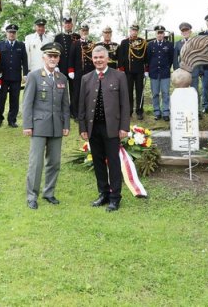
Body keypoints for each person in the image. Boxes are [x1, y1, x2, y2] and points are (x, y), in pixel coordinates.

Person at [79, 46, 130, 212]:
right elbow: (82, 107)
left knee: (113, 163)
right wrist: (83, 127)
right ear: (92, 59)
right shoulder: (86, 78)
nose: (98, 60)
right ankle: (103, 193)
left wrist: (124, 127)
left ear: (107, 58)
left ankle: (115, 197)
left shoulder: (119, 76)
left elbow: (125, 104)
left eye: (101, 57)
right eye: (95, 58)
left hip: (112, 128)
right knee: (98, 162)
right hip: (93, 128)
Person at [22, 42, 71, 209]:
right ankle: (31, 196)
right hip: (38, 126)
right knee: (36, 163)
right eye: (50, 56)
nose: (53, 59)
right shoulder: (34, 76)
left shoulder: (62, 78)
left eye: (55, 56)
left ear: (58, 59)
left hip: (57, 126)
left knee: (55, 162)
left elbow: (65, 104)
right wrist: (27, 125)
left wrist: (66, 125)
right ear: (44, 57)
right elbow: (27, 103)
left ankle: (49, 192)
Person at [0, 23, 28, 128]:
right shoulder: (0, 45)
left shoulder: (21, 45)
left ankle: (12, 120)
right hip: (3, 77)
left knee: (14, 99)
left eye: (14, 33)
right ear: (6, 33)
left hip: (15, 77)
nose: (12, 34)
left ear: (16, 34)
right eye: (10, 32)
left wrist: (25, 74)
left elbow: (25, 61)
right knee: (1, 99)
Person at [117, 24, 147, 119]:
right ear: (130, 31)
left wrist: (146, 69)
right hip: (128, 71)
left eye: (135, 30)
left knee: (139, 91)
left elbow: (145, 56)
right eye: (132, 30)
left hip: (139, 71)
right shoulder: (124, 42)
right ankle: (128, 111)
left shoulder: (142, 42)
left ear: (137, 31)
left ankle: (139, 111)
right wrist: (121, 69)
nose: (134, 32)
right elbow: (121, 57)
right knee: (128, 92)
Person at [146, 25, 175, 121]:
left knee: (165, 93)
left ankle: (166, 112)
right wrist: (147, 70)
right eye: (158, 33)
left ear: (164, 34)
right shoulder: (150, 45)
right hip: (154, 72)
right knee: (155, 94)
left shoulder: (169, 45)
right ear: (155, 34)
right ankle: (157, 112)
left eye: (162, 33)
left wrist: (167, 67)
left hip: (165, 72)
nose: (160, 35)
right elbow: (148, 59)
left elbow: (171, 58)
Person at [54, 17, 80, 117]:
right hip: (62, 67)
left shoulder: (76, 36)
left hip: (74, 68)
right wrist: (56, 65)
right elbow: (55, 51)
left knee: (74, 91)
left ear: (72, 25)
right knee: (62, 90)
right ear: (63, 25)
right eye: (66, 23)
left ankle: (74, 111)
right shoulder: (58, 37)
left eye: (69, 23)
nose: (68, 25)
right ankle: (63, 112)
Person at [68, 24, 95, 119]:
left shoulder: (92, 44)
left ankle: (87, 112)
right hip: (78, 72)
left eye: (86, 31)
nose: (84, 32)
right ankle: (75, 114)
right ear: (80, 32)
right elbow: (71, 58)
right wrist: (71, 70)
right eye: (83, 31)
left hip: (89, 72)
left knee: (88, 93)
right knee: (77, 93)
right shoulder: (75, 43)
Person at [173, 22, 201, 105]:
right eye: (183, 31)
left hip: (194, 71)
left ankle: (196, 111)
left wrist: (201, 70)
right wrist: (176, 70)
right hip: (182, 73)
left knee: (194, 91)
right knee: (182, 91)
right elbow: (175, 58)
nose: (185, 32)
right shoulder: (178, 44)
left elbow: (199, 56)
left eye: (187, 30)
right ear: (181, 33)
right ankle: (184, 108)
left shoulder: (196, 42)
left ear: (190, 31)